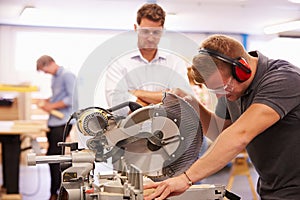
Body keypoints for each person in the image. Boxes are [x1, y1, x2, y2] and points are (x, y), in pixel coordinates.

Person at [144, 34, 300, 200]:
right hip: (273, 185)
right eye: (214, 90)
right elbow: (220, 132)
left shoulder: (283, 79)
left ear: (242, 68)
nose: (220, 97)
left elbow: (240, 134)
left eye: (222, 87)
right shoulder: (232, 89)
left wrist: (186, 178)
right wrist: (191, 104)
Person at [105, 3, 191, 115]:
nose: (150, 38)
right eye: (145, 31)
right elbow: (116, 104)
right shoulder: (118, 62)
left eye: (156, 32)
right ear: (136, 28)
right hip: (128, 129)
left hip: (167, 129)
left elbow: (181, 99)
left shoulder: (175, 62)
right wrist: (162, 97)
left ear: (163, 31)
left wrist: (135, 93)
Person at [36, 55, 78, 200]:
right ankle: (54, 191)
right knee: (52, 158)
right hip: (54, 123)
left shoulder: (67, 75)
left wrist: (51, 106)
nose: (45, 73)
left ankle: (58, 192)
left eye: (44, 70)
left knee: (56, 159)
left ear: (49, 64)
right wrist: (48, 101)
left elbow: (72, 98)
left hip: (63, 122)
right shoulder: (55, 77)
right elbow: (59, 96)